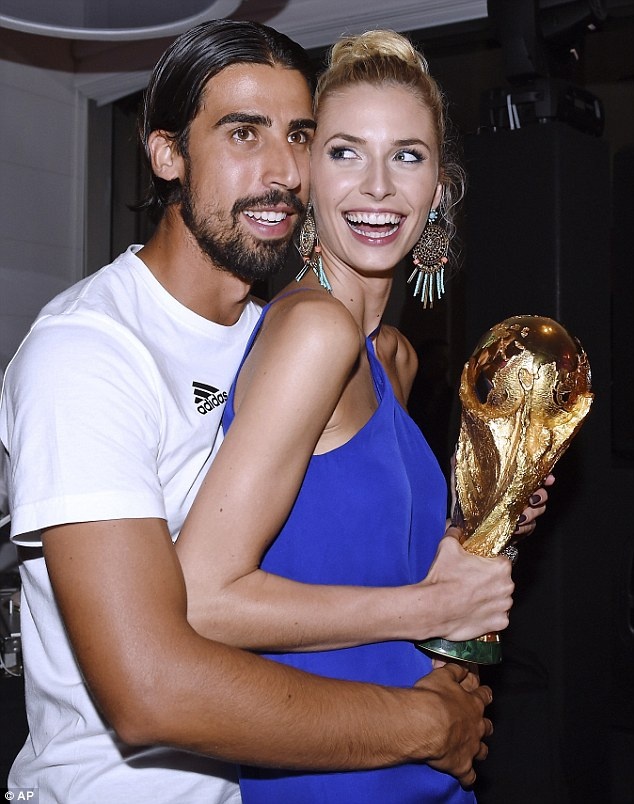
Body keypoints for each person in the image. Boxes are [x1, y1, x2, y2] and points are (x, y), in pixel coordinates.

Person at [0, 19, 548, 804]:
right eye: (243, 133)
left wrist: (481, 524)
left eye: (299, 136)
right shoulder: (88, 351)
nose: (283, 169)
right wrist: (428, 719)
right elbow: (152, 682)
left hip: (280, 772)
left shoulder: (299, 336)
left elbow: (340, 547)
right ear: (166, 154)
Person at [175, 29, 551, 803]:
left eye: (407, 156)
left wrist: (476, 527)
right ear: (307, 176)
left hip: (419, 762)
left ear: (439, 189)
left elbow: (354, 556)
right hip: (333, 776)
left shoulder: (392, 356)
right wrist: (433, 605)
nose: (377, 187)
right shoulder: (315, 332)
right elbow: (201, 600)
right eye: (345, 152)